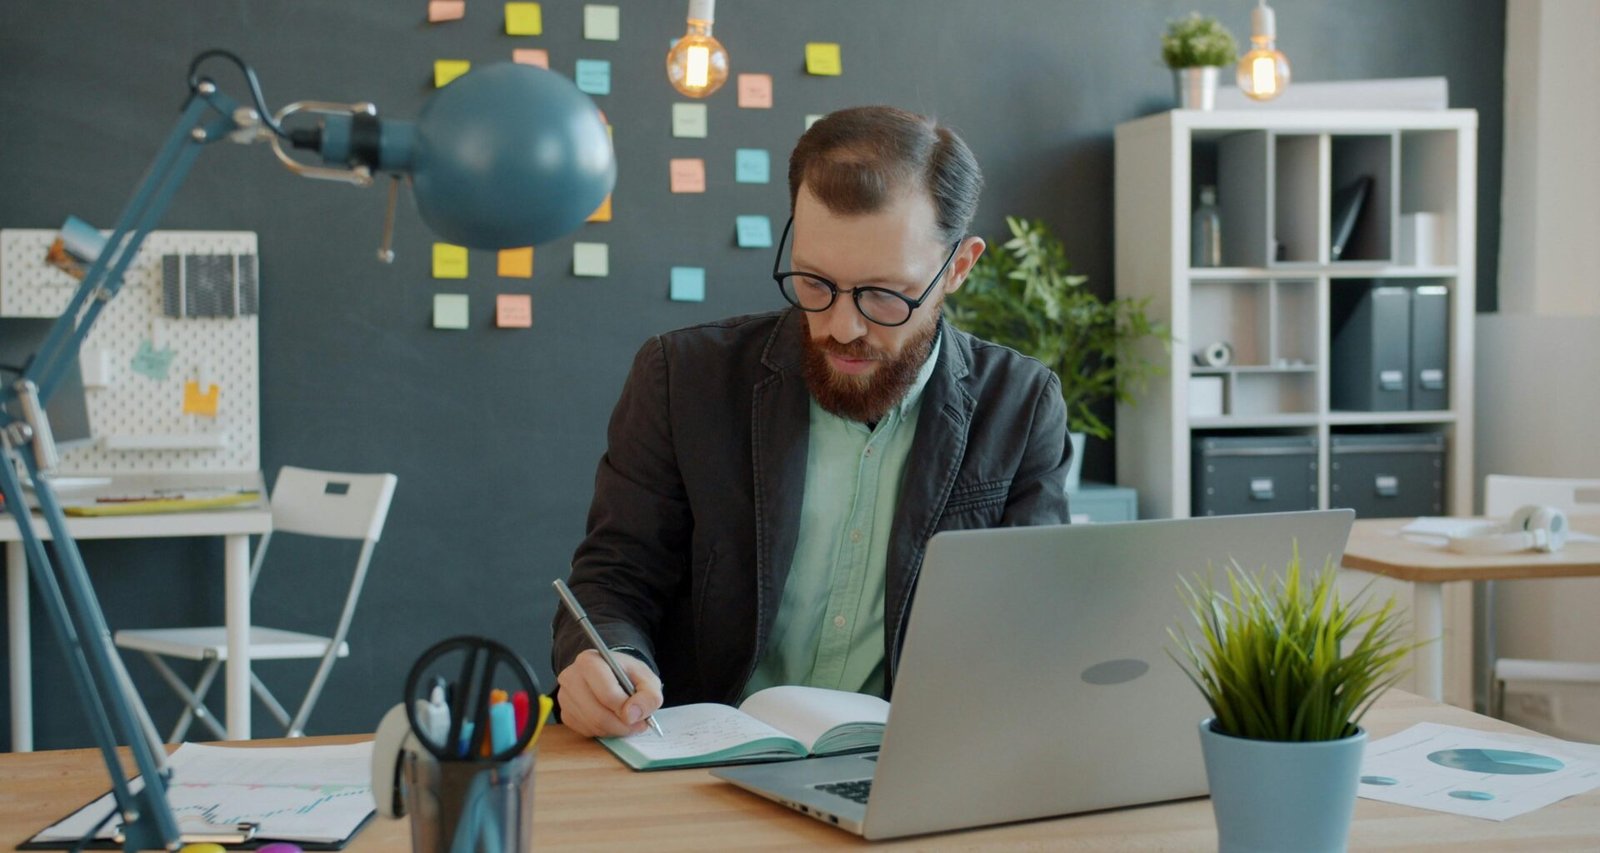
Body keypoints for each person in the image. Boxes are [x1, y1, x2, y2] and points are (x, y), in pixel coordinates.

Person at [552, 105, 1072, 737]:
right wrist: (606, 659)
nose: (842, 327)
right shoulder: (681, 378)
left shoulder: (1019, 407)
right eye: (813, 282)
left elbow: (1036, 630)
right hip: (701, 766)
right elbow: (614, 578)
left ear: (958, 267)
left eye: (884, 294)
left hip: (901, 771)